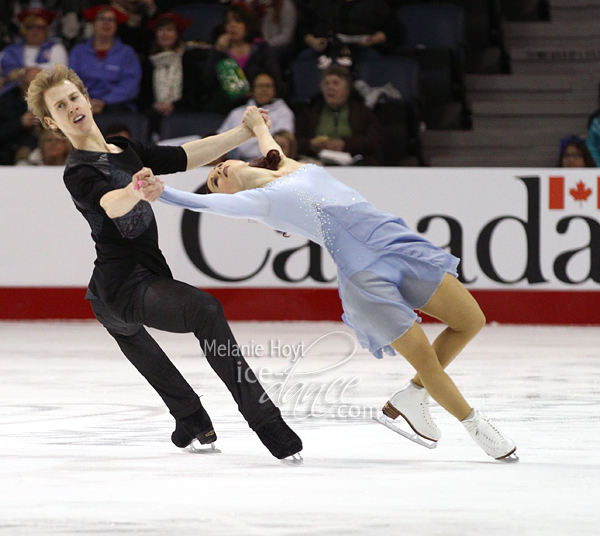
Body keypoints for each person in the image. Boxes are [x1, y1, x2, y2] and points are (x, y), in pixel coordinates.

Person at [146, 105, 518, 462]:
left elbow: (267, 143)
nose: (218, 171)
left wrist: (256, 124)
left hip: (396, 243)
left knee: (471, 320)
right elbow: (205, 205)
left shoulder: (287, 165)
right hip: (366, 277)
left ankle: (413, 396)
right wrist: (164, 192)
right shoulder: (259, 204)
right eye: (214, 180)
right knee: (428, 362)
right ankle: (478, 428)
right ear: (232, 196)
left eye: (217, 168)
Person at [25, 65, 302, 462]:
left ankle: (190, 417)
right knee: (204, 310)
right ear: (51, 121)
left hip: (121, 283)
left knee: (125, 329)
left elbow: (187, 156)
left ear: (86, 98)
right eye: (60, 106)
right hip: (125, 285)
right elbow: (110, 203)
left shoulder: (124, 147)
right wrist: (136, 188)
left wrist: (242, 133)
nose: (71, 107)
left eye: (74, 97)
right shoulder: (78, 171)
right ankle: (266, 421)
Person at [203, 3, 282, 114]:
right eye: (228, 22)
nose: (232, 26)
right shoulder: (220, 51)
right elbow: (208, 82)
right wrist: (217, 52)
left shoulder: (262, 49)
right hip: (225, 108)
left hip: (257, 106)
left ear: (247, 24)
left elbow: (274, 79)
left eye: (238, 21)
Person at [296, 64, 381, 165]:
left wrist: (345, 145)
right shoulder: (311, 112)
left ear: (347, 89)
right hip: (317, 162)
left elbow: (374, 141)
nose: (330, 88)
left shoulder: (362, 112)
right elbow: (296, 141)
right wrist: (310, 145)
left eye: (335, 83)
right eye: (326, 84)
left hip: (354, 161)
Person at [69, 5, 142, 114]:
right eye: (101, 19)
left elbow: (130, 85)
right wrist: (87, 101)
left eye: (111, 20)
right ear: (93, 24)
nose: (106, 23)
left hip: (117, 106)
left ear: (116, 26)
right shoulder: (78, 52)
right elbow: (71, 82)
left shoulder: (127, 53)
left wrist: (105, 101)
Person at [137, 12, 200, 131]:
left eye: (169, 30)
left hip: (181, 109)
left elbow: (192, 92)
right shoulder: (149, 62)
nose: (164, 34)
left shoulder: (187, 59)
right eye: (160, 30)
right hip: (155, 112)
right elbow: (143, 95)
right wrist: (155, 105)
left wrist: (174, 105)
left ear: (177, 34)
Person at [217, 72, 294, 161]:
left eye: (268, 86)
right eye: (260, 86)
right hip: (236, 163)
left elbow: (284, 144)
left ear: (274, 90)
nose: (264, 90)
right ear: (252, 90)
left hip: (269, 163)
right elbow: (221, 138)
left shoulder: (284, 113)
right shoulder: (237, 113)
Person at [0, 8, 68, 83]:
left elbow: (60, 70)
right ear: (23, 30)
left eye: (40, 27)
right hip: (14, 92)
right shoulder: (10, 50)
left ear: (46, 30)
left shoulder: (56, 48)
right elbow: (6, 71)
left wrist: (26, 71)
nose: (35, 31)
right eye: (30, 27)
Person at [0, 66, 41, 165]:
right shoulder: (6, 102)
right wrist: (20, 122)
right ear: (21, 85)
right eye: (28, 85)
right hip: (13, 152)